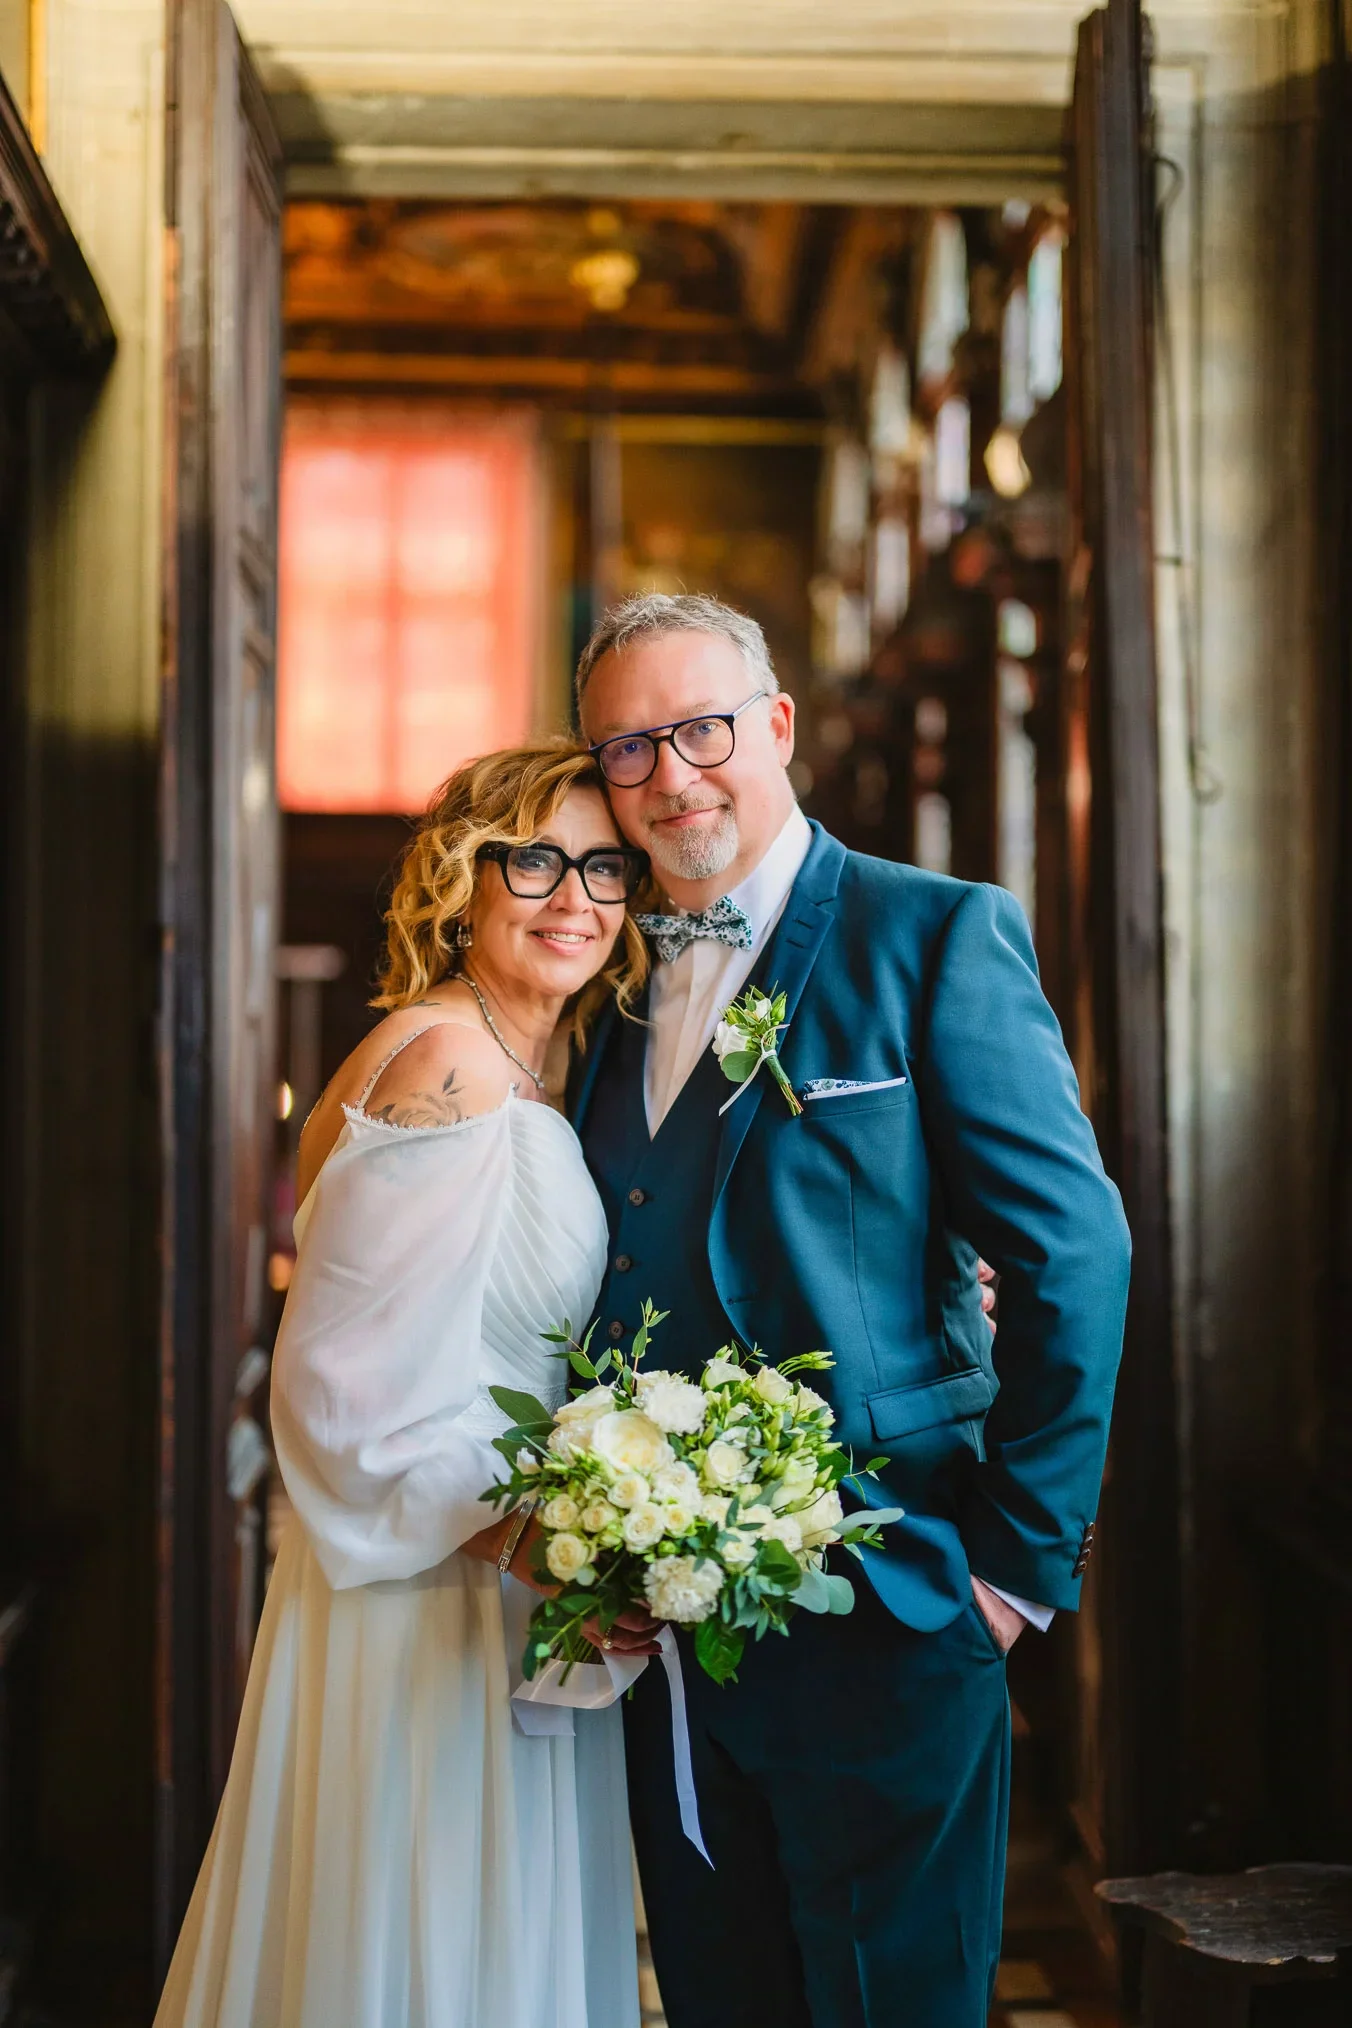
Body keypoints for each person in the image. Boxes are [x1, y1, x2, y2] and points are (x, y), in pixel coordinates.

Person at [570, 593, 1132, 2028]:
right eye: (627, 749)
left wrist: (1010, 1577)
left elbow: (1073, 1256)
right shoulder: (607, 996)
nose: (671, 776)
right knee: (719, 1992)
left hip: (900, 1595)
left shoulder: (935, 935)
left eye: (700, 729)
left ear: (778, 726)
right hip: (670, 1642)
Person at [153, 739, 660, 2028]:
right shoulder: (449, 1069)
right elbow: (339, 1399)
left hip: (484, 1584)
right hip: (437, 1601)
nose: (574, 898)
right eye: (535, 859)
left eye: (605, 867)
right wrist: (545, 1548)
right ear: (463, 876)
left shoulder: (525, 1065)